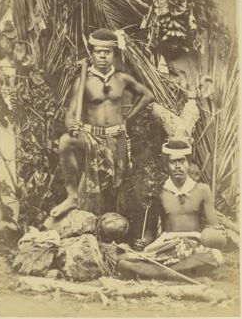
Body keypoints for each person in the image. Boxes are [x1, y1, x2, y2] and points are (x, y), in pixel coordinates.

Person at [50, 28, 154, 218]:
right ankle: (72, 196)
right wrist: (71, 124)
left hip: (117, 139)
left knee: (121, 187)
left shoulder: (122, 79)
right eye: (99, 52)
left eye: (108, 52)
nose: (103, 56)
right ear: (92, 53)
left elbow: (147, 95)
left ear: (114, 54)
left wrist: (127, 117)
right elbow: (71, 112)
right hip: (91, 137)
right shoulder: (84, 81)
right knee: (66, 141)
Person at [117, 140, 227, 279]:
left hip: (194, 245)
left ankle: (158, 274)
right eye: (173, 162)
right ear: (166, 165)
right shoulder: (158, 191)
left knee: (213, 257)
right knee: (123, 261)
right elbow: (150, 229)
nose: (178, 166)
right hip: (167, 245)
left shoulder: (202, 190)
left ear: (189, 164)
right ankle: (180, 275)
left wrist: (217, 236)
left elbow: (214, 227)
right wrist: (143, 241)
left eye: (182, 161)